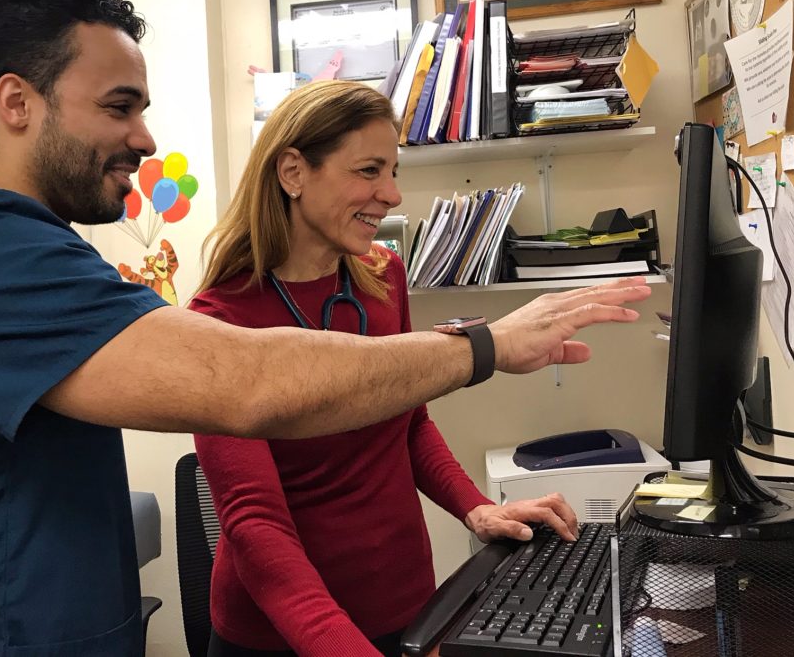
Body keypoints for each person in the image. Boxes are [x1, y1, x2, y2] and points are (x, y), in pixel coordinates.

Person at [0, 0, 649, 656]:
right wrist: (488, 344)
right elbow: (242, 382)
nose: (144, 138)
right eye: (119, 106)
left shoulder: (30, 253)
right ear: (16, 103)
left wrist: (471, 504)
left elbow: (398, 417)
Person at [189, 80, 615, 656]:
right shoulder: (217, 321)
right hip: (285, 635)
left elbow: (409, 423)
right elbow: (253, 525)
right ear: (293, 172)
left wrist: (477, 509)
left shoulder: (382, 276)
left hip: (404, 608)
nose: (390, 194)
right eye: (368, 171)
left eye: (394, 171)